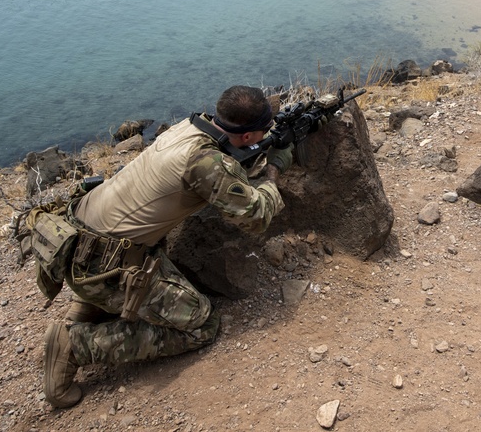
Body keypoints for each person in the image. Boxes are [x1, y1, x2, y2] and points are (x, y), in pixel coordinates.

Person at [40, 85, 293, 409]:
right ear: (246, 136)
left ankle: (86, 309)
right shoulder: (207, 163)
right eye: (263, 130)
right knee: (202, 325)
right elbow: (256, 216)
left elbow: (220, 166)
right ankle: (75, 345)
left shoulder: (190, 126)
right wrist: (274, 169)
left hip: (76, 240)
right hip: (105, 264)